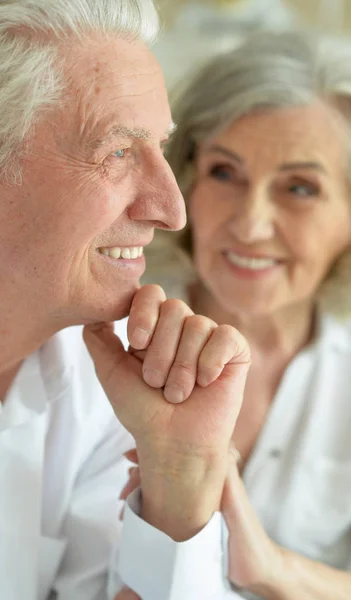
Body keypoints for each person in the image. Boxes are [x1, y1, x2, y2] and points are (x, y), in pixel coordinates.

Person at [0, 1, 251, 599]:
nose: (171, 209)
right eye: (117, 152)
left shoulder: (109, 395)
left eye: (161, 150)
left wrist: (180, 474)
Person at [122, 31, 351, 599]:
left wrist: (272, 569)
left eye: (300, 187)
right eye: (224, 173)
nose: (250, 225)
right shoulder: (100, 335)